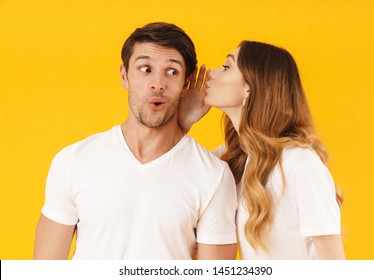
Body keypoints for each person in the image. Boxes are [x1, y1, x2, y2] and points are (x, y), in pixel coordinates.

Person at [33, 22, 238, 260]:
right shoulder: (73, 161)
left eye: (172, 72)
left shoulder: (213, 176)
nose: (158, 84)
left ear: (185, 84)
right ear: (124, 76)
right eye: (145, 69)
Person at [179, 41, 345, 259]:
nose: (211, 73)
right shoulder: (238, 157)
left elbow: (335, 265)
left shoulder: (299, 164)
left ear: (249, 86)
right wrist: (183, 124)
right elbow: (175, 178)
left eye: (227, 67)